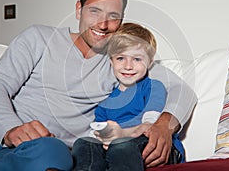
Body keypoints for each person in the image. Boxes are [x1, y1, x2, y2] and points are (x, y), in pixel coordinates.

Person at [0, 0, 197, 171]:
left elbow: (181, 90)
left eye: (113, 16)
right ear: (79, 9)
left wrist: (163, 126)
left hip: (43, 149)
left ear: (120, 22)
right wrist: (11, 128)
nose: (103, 23)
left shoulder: (120, 60)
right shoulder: (39, 37)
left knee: (55, 156)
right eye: (95, 11)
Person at [72, 23, 185, 171]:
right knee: (83, 144)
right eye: (120, 58)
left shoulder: (152, 86)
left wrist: (121, 134)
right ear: (111, 61)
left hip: (148, 143)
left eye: (137, 59)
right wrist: (101, 137)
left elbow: (148, 124)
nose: (128, 66)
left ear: (150, 62)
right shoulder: (107, 100)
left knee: (121, 146)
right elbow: (98, 128)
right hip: (116, 147)